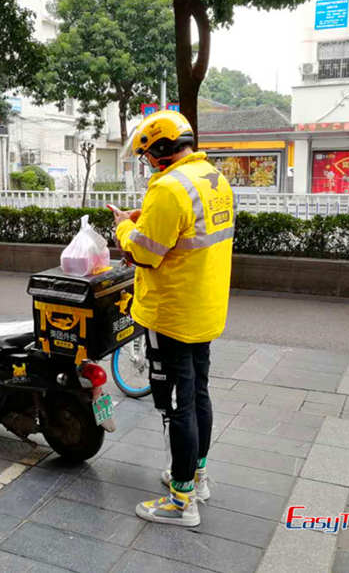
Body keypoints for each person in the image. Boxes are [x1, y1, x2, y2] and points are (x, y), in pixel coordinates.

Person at [112, 109, 234, 527]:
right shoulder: (214, 180)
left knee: (177, 403)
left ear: (162, 150)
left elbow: (144, 252)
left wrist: (122, 229)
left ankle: (182, 501)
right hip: (205, 308)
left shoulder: (167, 188)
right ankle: (196, 477)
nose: (148, 163)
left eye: (149, 155)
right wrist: (142, 220)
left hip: (171, 314)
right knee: (198, 392)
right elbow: (182, 233)